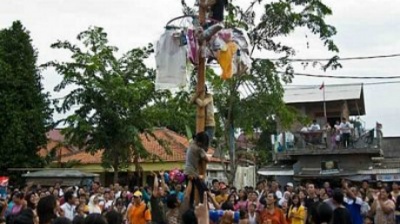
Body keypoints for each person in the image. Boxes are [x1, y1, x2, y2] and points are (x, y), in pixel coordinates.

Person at [184, 132, 210, 204]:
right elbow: (207, 160)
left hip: (187, 171)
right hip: (192, 173)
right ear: (200, 143)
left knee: (192, 193)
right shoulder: (199, 150)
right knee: (202, 189)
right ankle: (203, 204)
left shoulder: (191, 144)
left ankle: (191, 206)